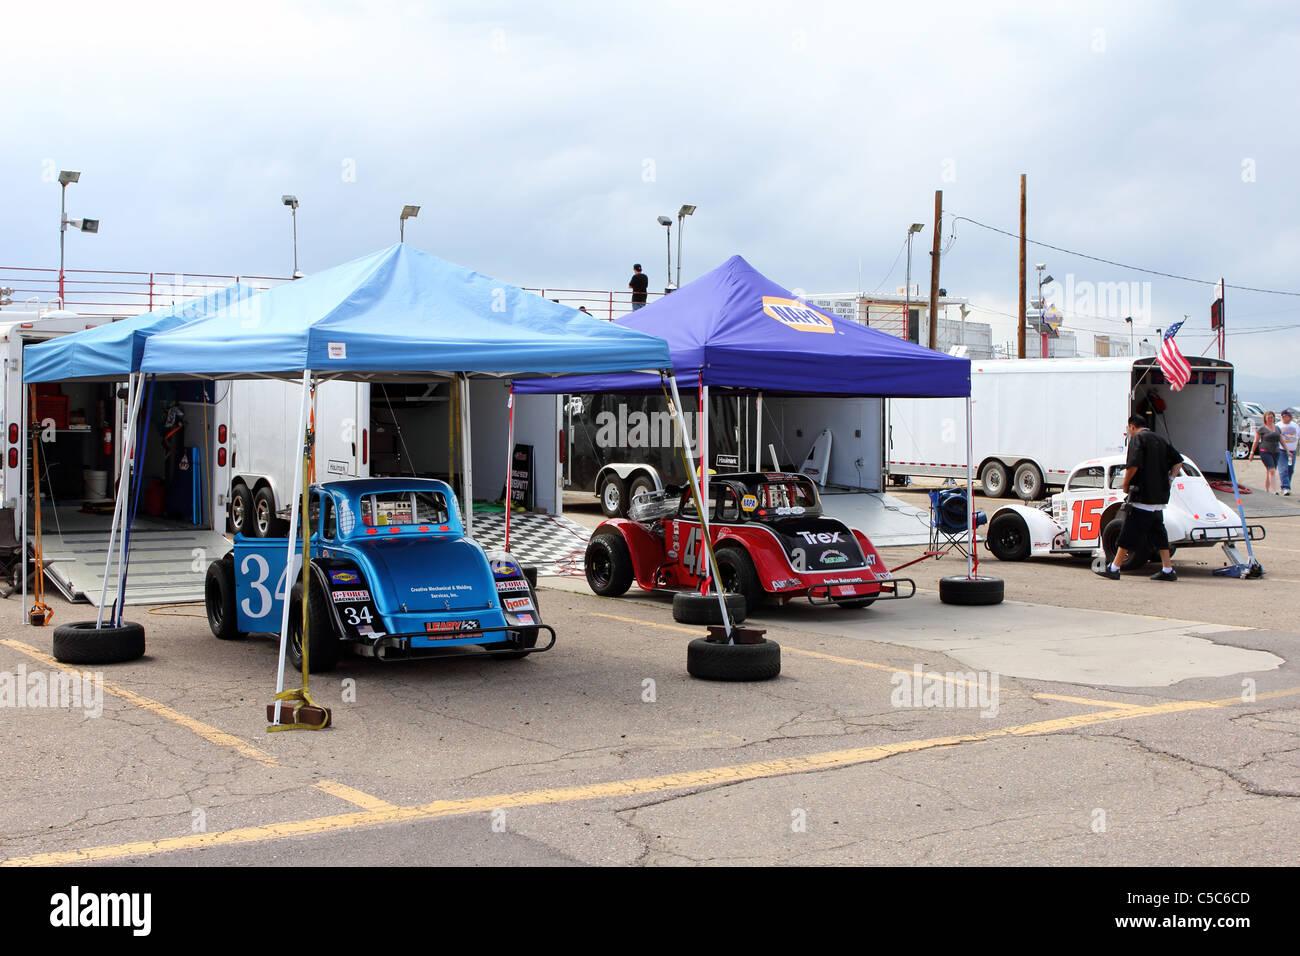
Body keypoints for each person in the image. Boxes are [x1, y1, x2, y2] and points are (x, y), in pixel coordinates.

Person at [1096, 415, 1184, 582]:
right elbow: (1178, 461)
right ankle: (1167, 569)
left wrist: (1125, 484)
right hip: (1159, 498)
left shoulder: (1138, 440)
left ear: (1132, 427)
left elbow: (1133, 465)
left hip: (1143, 495)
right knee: (1159, 533)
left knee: (1128, 531)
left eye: (1129, 429)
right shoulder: (1160, 439)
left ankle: (1114, 568)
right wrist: (1170, 480)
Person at [1249, 411, 1284, 494]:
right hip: (1265, 451)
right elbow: (1256, 441)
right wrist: (1252, 453)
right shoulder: (1262, 429)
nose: (1270, 419)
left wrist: (1287, 450)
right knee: (1272, 470)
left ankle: (1267, 490)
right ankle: (1275, 491)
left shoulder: (1277, 428)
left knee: (1270, 471)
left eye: (1272, 417)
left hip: (1276, 451)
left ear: (1274, 418)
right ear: (1265, 418)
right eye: (1269, 417)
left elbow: (1281, 440)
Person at [1277, 409, 1299, 495]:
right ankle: (1286, 487)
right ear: (1283, 416)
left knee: (1290, 470)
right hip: (1281, 450)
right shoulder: (1278, 425)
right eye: (1286, 416)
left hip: (1292, 451)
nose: (1288, 418)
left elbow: (1297, 436)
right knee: (1283, 469)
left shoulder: (1295, 425)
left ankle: (1285, 485)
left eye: (1289, 416)